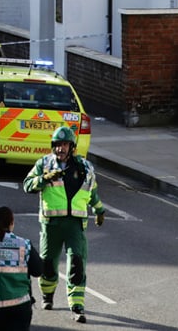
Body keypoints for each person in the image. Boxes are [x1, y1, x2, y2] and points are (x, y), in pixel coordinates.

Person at [23, 126, 106, 324]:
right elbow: (27, 184)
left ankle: (77, 306)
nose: (60, 149)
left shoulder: (85, 167)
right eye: (57, 145)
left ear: (72, 147)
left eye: (64, 145)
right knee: (48, 264)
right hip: (51, 224)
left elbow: (91, 190)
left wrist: (99, 210)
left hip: (75, 225)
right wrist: (44, 179)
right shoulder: (44, 164)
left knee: (77, 263)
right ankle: (47, 296)